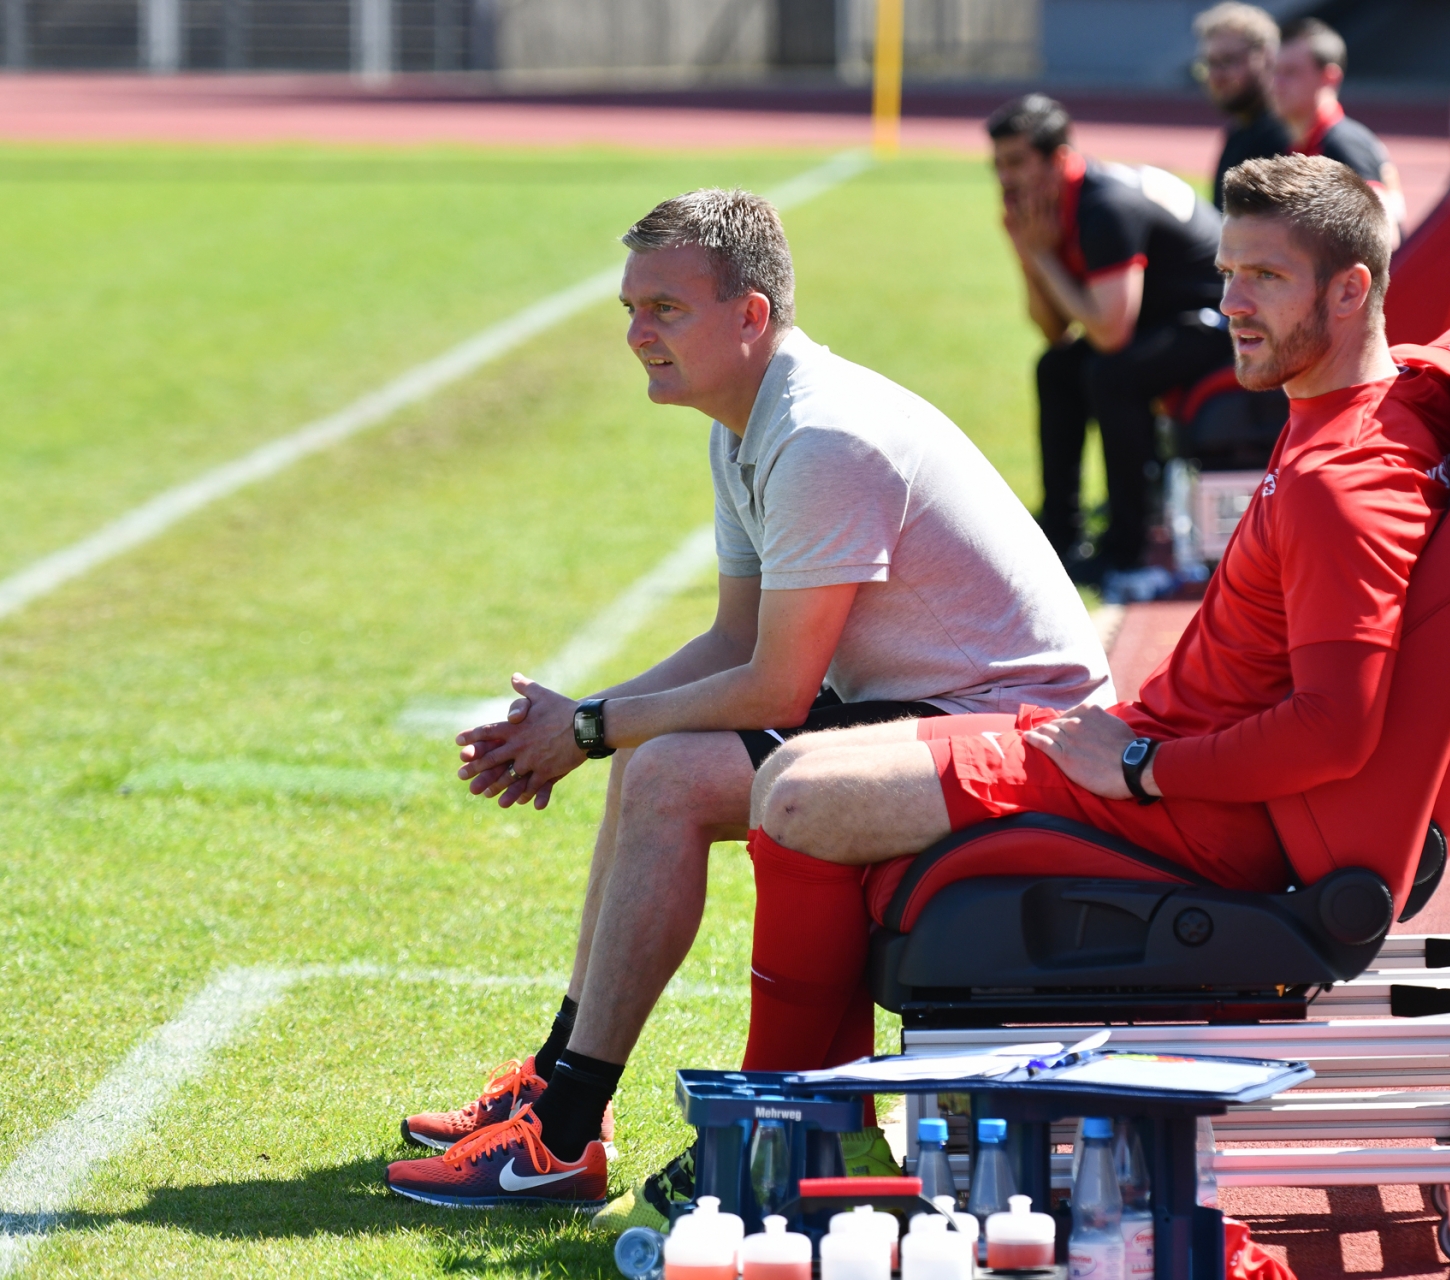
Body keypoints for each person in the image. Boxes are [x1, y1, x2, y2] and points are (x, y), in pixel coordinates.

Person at [733, 117, 1450, 1080]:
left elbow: (1335, 729)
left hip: (1190, 805)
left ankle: (773, 1116)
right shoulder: (1416, 384)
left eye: (1265, 278)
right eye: (1228, 272)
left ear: (1352, 290)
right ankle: (821, 1127)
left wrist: (1142, 765)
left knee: (804, 800)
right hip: (1166, 747)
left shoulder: (1340, 483)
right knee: (791, 774)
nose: (1230, 303)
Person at [383, 188, 1113, 1213]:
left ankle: (557, 1133)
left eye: (665, 310)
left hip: (1014, 734)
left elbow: (776, 683)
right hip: (936, 709)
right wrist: (578, 714)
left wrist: (586, 728)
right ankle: (558, 1092)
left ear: (751, 315)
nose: (637, 335)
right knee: (654, 756)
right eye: (630, 310)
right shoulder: (747, 423)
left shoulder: (819, 434)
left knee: (668, 768)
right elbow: (735, 640)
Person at [988, 94, 1232, 591]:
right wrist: (1027, 255)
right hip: (1154, 321)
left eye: (1016, 163)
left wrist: (1044, 258)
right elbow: (1056, 331)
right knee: (1055, 368)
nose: (1005, 179)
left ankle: (1128, 545)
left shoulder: (1105, 208)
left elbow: (1109, 332)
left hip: (1220, 323)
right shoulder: (1049, 205)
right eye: (997, 165)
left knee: (1110, 374)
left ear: (1058, 159)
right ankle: (1060, 533)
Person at [1268, 17, 1408, 243]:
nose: (1276, 83)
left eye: (1291, 72)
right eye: (1275, 71)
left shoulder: (1343, 145)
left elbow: (1386, 236)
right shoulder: (1302, 143)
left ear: (1328, 78)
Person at [1193, 2, 1292, 209]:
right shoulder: (1240, 130)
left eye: (1228, 61)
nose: (1216, 75)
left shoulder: (1284, 136)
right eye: (1210, 63)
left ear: (1267, 57)